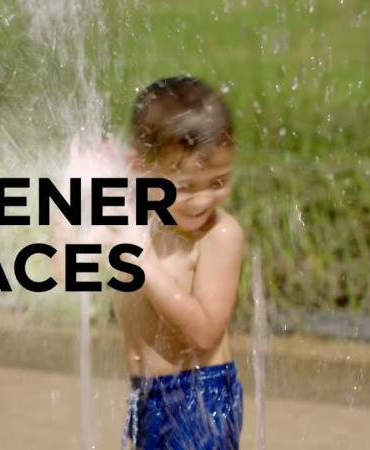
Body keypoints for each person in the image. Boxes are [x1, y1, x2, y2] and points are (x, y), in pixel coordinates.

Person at [57, 76, 244, 449]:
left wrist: (144, 264)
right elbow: (64, 274)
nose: (202, 200)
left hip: (200, 399)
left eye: (218, 181)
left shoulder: (219, 236)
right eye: (186, 186)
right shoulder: (128, 216)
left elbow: (205, 334)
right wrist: (70, 197)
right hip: (145, 397)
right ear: (141, 168)